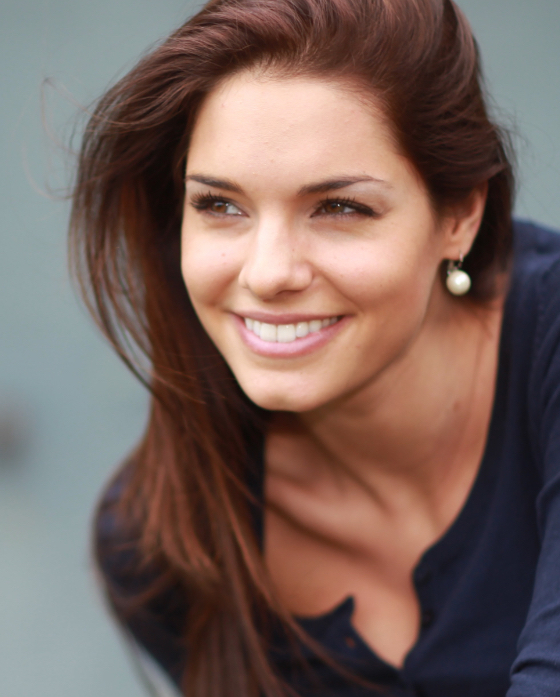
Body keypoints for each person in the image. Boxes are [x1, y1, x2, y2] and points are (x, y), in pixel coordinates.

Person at [69, 0, 560, 695]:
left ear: (461, 214)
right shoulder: (164, 547)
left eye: (340, 208)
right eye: (220, 205)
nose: (268, 272)